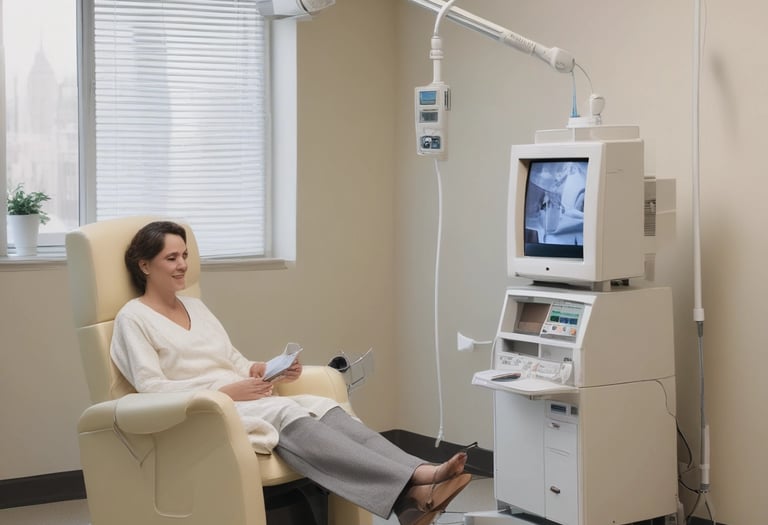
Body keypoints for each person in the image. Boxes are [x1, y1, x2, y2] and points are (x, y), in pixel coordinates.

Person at [110, 220, 472, 525]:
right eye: (171, 258)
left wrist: (268, 369)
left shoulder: (195, 306)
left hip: (238, 398)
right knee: (285, 411)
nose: (182, 265)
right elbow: (151, 387)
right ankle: (420, 479)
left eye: (185, 255)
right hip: (200, 413)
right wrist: (226, 393)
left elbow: (233, 359)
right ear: (145, 266)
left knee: (324, 405)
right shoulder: (134, 318)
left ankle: (412, 493)